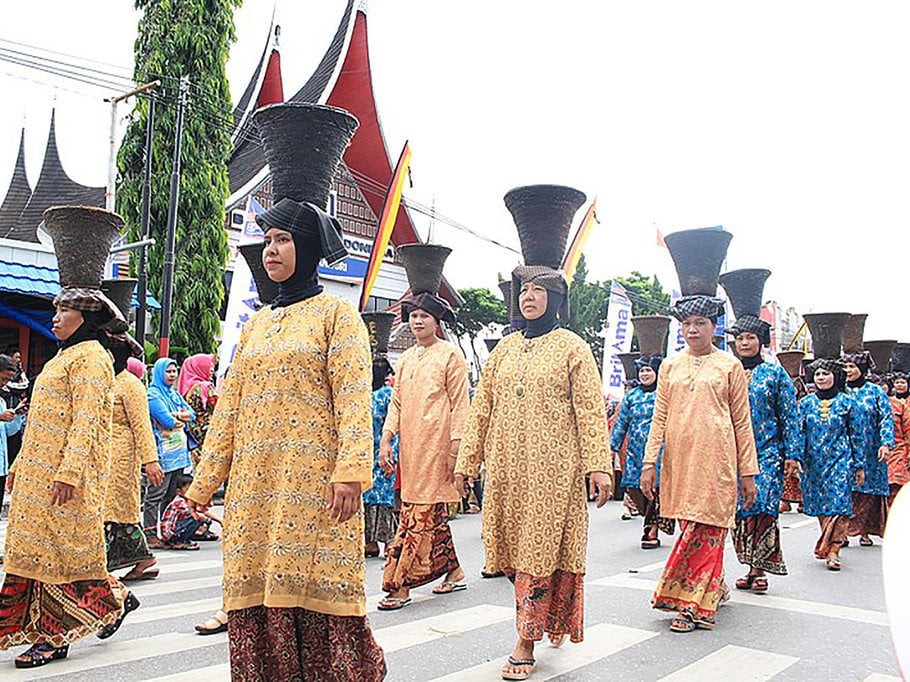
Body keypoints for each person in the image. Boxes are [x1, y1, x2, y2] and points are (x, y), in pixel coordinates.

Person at [184, 99, 385, 681]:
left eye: (282, 239)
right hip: (253, 487)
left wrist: (352, 471)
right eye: (266, 240)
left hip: (314, 483)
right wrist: (201, 488)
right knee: (255, 597)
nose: (270, 250)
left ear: (309, 247)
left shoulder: (336, 316)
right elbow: (229, 413)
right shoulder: (255, 324)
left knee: (315, 593)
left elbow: (352, 399)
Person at [456, 272, 613, 680]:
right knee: (509, 553)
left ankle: (525, 641)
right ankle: (546, 615)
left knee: (539, 551)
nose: (529, 296)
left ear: (557, 298)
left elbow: (590, 411)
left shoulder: (572, 348)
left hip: (554, 473)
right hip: (506, 471)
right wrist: (466, 463)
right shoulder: (504, 350)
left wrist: (599, 465)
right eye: (524, 290)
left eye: (539, 290)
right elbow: (481, 410)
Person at [0, 214, 140, 667]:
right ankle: (110, 599)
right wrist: (20, 468)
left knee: (61, 556)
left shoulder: (92, 358)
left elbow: (87, 423)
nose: (55, 318)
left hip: (66, 479)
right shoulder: (62, 359)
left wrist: (70, 471)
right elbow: (41, 421)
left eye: (64, 312)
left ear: (87, 319)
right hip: (38, 477)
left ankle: (56, 635)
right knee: (32, 553)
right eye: (56, 310)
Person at [641, 296, 758, 633]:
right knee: (688, 527)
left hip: (717, 462)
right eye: (687, 324)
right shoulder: (670, 366)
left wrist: (748, 471)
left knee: (706, 529)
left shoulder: (729, 366)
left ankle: (693, 606)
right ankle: (714, 585)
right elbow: (659, 417)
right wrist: (650, 462)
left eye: (700, 323)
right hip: (678, 461)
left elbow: (741, 422)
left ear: (713, 327)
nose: (693, 330)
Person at [377, 249, 471, 610]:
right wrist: (386, 440)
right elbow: (396, 404)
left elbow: (462, 404)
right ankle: (454, 571)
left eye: (424, 317)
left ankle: (399, 584)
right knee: (427, 513)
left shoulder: (451, 355)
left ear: (436, 322)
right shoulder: (407, 359)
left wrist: (456, 448)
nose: (417, 322)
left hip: (438, 447)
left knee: (415, 516)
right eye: (413, 316)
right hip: (411, 449)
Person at [728, 327, 799, 594]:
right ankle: (748, 565)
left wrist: (792, 453)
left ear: (761, 342)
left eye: (751, 338)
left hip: (768, 452)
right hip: (731, 453)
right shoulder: (727, 370)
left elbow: (789, 415)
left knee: (762, 505)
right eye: (740, 338)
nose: (745, 343)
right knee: (739, 511)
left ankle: (759, 569)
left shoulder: (775, 373)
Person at [790, 360, 865, 570]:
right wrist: (795, 458)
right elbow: (798, 432)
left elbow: (857, 436)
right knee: (822, 506)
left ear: (836, 377)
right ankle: (828, 541)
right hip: (813, 463)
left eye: (826, 374)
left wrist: (859, 465)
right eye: (818, 374)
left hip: (841, 460)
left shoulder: (848, 403)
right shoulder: (805, 404)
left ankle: (833, 550)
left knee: (840, 505)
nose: (821, 377)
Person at [104, 340, 165, 580]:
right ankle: (144, 559)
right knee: (111, 509)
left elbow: (142, 426)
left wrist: (151, 460)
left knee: (112, 509)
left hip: (120, 456)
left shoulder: (131, 385)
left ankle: (100, 569)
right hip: (100, 453)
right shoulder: (105, 381)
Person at [610, 355, 674, 549]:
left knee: (654, 489)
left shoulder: (665, 394)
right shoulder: (632, 396)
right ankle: (650, 520)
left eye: (649, 370)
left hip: (659, 452)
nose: (645, 374)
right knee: (634, 488)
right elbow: (621, 423)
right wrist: (612, 447)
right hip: (634, 453)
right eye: (642, 371)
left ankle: (651, 527)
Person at [843, 352, 894, 545]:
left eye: (852, 367)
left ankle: (864, 531)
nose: (848, 371)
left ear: (862, 370)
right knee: (847, 489)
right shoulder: (840, 391)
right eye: (845, 367)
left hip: (871, 449)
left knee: (869, 492)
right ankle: (843, 531)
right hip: (845, 448)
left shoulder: (875, 392)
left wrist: (886, 443)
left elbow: (886, 419)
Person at [143, 358, 195, 548]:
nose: (172, 375)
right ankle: (149, 533)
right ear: (159, 373)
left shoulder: (173, 394)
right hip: (162, 454)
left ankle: (168, 531)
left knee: (173, 494)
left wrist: (178, 416)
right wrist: (179, 417)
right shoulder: (153, 395)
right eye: (168, 372)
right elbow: (167, 422)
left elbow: (192, 415)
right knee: (156, 493)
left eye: (174, 372)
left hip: (179, 454)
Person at [364, 356, 398, 558]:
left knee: (381, 499)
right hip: (371, 455)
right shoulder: (371, 395)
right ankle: (372, 542)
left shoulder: (385, 395)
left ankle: (388, 541)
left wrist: (390, 451)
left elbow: (394, 425)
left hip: (382, 453)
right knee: (369, 498)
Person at [0, 353, 25, 555]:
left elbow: (8, 432)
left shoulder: (1, 400)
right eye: (2, 379)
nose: (4, 384)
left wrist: (15, 415)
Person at [177, 353, 218, 467]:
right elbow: (219, 408)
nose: (211, 370)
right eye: (208, 366)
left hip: (193, 433)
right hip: (209, 433)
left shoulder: (186, 389)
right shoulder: (205, 387)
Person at [161, 473, 216, 548]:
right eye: (187, 490)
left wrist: (216, 520)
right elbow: (194, 513)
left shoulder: (188, 500)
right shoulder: (179, 502)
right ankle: (177, 541)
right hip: (170, 533)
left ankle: (185, 540)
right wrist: (205, 519)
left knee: (199, 519)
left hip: (175, 528)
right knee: (195, 518)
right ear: (179, 491)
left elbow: (203, 511)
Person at [888, 372, 910, 504]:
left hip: (902, 450)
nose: (900, 385)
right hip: (889, 451)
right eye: (897, 383)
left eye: (903, 382)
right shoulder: (888, 403)